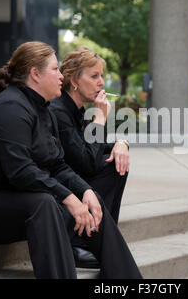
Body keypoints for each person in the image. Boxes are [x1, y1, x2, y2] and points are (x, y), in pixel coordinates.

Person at [0, 41, 142, 279]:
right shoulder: (8, 109)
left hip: (12, 199)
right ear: (35, 74)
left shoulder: (42, 110)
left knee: (90, 198)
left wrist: (85, 191)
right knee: (44, 203)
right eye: (56, 69)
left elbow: (55, 165)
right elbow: (22, 171)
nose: (61, 76)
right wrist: (70, 199)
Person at [49, 47, 130, 268]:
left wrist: (122, 144)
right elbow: (88, 162)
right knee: (108, 166)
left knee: (117, 162)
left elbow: (96, 146)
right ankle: (78, 243)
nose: (101, 82)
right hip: (55, 191)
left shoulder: (75, 109)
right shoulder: (59, 111)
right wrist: (100, 119)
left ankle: (101, 237)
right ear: (74, 80)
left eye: (101, 76)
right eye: (94, 76)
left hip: (71, 183)